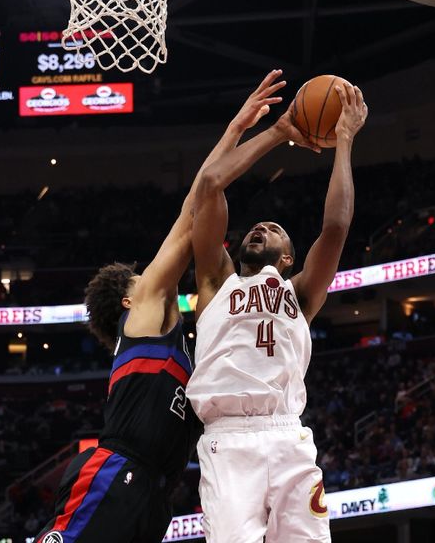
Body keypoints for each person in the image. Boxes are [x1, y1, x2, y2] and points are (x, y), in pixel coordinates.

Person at [34, 70, 290, 543]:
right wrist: (239, 127)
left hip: (152, 493)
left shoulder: (171, 342)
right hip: (115, 474)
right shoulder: (143, 313)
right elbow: (193, 211)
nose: (154, 271)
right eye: (143, 273)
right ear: (129, 300)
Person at [186, 82, 368, 542]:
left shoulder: (301, 294)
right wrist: (278, 131)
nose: (262, 227)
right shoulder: (215, 282)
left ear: (289, 258)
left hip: (287, 436)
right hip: (227, 439)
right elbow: (209, 185)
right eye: (257, 226)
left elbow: (337, 225)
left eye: (275, 229)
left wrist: (344, 140)